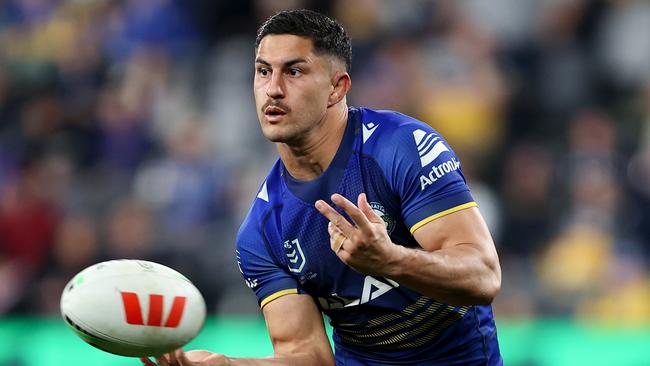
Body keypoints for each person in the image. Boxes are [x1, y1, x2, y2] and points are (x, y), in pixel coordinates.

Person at [142, 9, 502, 366]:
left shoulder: (401, 147)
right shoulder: (262, 231)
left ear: (337, 87)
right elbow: (307, 357)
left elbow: (483, 276)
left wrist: (390, 259)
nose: (273, 89)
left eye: (294, 71)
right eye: (263, 71)